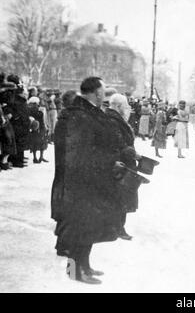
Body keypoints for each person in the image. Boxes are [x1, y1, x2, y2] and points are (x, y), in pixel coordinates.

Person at [51, 77, 123, 284]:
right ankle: (74, 270)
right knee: (77, 228)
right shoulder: (78, 116)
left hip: (89, 179)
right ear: (97, 92)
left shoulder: (86, 113)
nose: (104, 94)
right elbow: (82, 153)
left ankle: (84, 265)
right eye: (102, 90)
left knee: (87, 226)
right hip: (79, 182)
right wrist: (110, 162)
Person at [105, 93, 138, 240]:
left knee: (119, 196)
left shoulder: (114, 118)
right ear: (118, 106)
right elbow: (118, 143)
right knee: (120, 196)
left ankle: (116, 226)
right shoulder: (113, 120)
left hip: (122, 161)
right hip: (120, 163)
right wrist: (133, 153)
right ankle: (117, 227)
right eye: (125, 106)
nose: (128, 109)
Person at [5, 75, 30, 168]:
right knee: (17, 139)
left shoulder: (17, 89)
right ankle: (16, 160)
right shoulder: (12, 90)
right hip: (18, 117)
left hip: (20, 117)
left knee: (20, 139)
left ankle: (19, 159)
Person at [28, 96, 48, 164]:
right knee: (41, 142)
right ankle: (40, 157)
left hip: (35, 129)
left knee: (36, 143)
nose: (37, 104)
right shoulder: (39, 112)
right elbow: (42, 121)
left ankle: (36, 157)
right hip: (38, 128)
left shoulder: (30, 111)